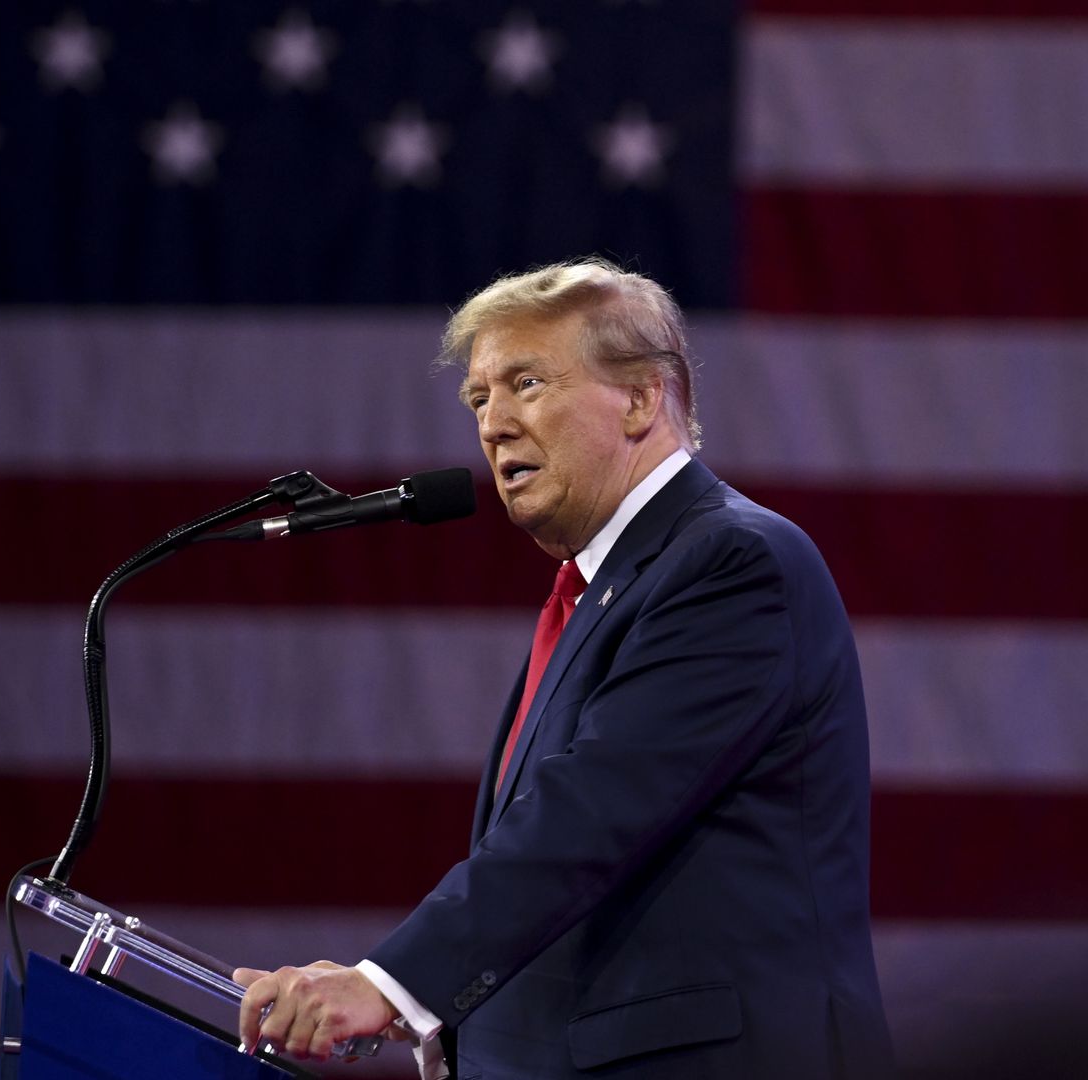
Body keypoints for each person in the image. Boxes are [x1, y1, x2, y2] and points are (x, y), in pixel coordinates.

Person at [236, 259, 891, 1078]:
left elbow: (588, 816)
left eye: (528, 383)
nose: (494, 424)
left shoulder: (731, 562)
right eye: (479, 398)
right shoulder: (607, 587)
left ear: (644, 397)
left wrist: (393, 984)